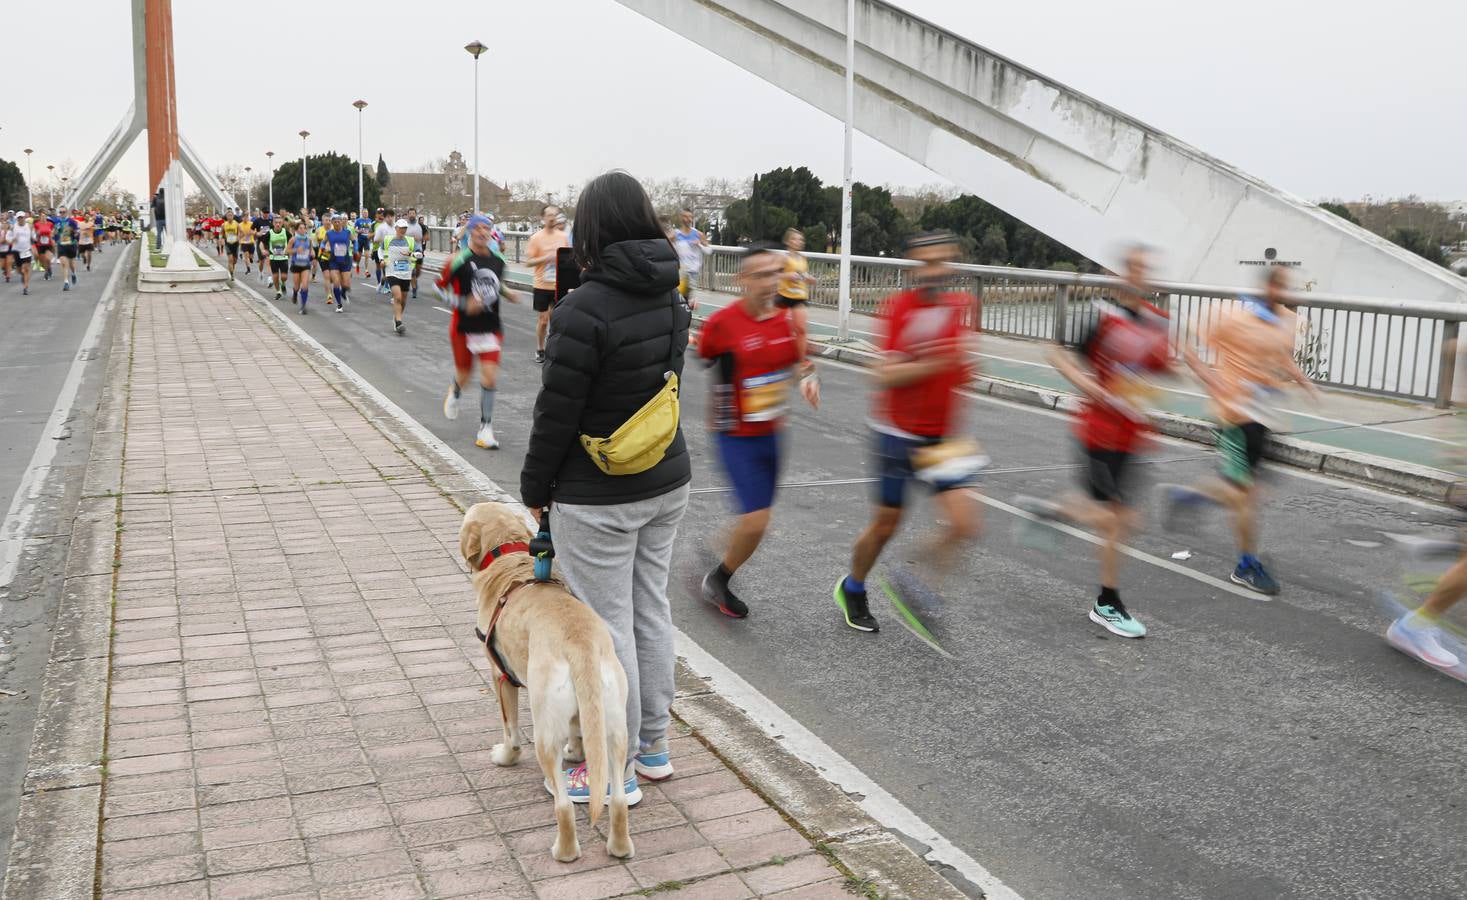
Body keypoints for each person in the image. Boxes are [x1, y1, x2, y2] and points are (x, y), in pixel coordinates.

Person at [521, 171, 692, 803]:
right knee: (651, 608)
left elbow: (557, 412)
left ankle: (610, 765)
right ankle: (653, 748)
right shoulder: (674, 296)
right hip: (666, 478)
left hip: (598, 494)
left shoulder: (581, 308)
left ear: (590, 230)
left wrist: (535, 487)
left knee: (606, 623)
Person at [832, 231, 984, 633]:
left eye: (943, 262)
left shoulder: (960, 307)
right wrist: (933, 364)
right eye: (928, 263)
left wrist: (962, 365)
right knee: (885, 525)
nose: (936, 272)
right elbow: (884, 373)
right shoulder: (899, 308)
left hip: (943, 437)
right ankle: (853, 587)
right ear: (916, 266)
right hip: (896, 434)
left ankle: (914, 579)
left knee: (966, 524)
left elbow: (961, 368)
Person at [1019, 246, 1173, 639]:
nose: (1141, 276)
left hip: (1132, 435)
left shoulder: (1155, 322)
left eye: (1146, 270)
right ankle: (1107, 603)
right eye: (1134, 269)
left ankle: (1051, 512)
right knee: (1119, 520)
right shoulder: (1101, 315)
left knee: (1116, 519)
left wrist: (1167, 376)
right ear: (1121, 276)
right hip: (1098, 433)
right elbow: (1055, 352)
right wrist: (1086, 382)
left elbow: (1154, 370)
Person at [1164, 266, 1320, 595]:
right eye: (1278, 285)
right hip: (1233, 416)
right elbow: (1185, 346)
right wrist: (1212, 381)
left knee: (1249, 492)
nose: (1284, 291)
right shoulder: (1230, 314)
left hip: (1264, 415)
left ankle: (1192, 497)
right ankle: (1246, 565)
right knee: (1246, 494)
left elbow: (1280, 355)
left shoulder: (1288, 320)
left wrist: (1304, 381)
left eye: (1286, 286)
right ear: (1265, 287)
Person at [698, 243, 819, 618]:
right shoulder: (722, 324)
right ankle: (717, 579)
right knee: (757, 518)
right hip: (735, 437)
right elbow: (704, 356)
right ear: (743, 280)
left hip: (772, 435)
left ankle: (717, 553)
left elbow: (799, 359)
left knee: (755, 519)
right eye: (762, 275)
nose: (771, 282)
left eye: (776, 273)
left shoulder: (786, 321)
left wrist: (808, 377)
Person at [437, 214, 520, 449]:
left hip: (490, 325)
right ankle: (455, 392)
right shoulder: (457, 260)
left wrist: (507, 292)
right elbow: (436, 289)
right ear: (470, 231)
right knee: (465, 374)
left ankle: (486, 429)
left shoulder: (499, 260)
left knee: (489, 376)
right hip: (463, 327)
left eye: (488, 228)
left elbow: (494, 283)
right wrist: (464, 303)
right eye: (479, 228)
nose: (484, 232)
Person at [525, 204, 570, 364]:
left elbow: (568, 258)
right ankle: (539, 348)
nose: (551, 218)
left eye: (554, 215)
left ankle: (555, 349)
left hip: (559, 284)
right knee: (543, 320)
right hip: (542, 284)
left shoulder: (562, 237)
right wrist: (546, 258)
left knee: (558, 320)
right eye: (549, 215)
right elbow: (528, 262)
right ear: (543, 218)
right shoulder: (536, 238)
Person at [776, 227, 816, 361]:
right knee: (776, 327)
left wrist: (810, 279)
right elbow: (775, 275)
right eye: (794, 239)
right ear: (787, 241)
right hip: (783, 295)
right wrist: (787, 275)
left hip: (799, 296)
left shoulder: (803, 259)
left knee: (801, 329)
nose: (798, 241)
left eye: (800, 239)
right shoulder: (783, 258)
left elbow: (802, 275)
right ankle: (775, 354)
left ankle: (801, 359)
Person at [381, 218, 418, 334]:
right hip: (392, 271)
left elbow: (420, 254)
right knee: (397, 297)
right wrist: (382, 260)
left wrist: (411, 253)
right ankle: (399, 322)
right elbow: (380, 250)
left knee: (404, 300)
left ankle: (397, 317)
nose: (403, 230)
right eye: (401, 228)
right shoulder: (388, 239)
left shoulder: (410, 241)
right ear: (396, 228)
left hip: (406, 273)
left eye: (405, 228)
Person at [671, 208, 707, 308]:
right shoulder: (675, 234)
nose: (688, 219)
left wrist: (699, 244)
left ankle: (687, 314)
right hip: (680, 271)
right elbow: (667, 247)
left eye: (690, 217)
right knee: (680, 298)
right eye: (686, 216)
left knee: (689, 301)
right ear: (681, 218)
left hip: (693, 271)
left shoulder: (698, 234)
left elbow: (709, 251)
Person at [323, 212, 355, 313]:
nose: (337, 223)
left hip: (345, 260)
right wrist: (323, 250)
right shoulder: (329, 233)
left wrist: (357, 249)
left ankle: (343, 292)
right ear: (332, 222)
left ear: (341, 222)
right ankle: (339, 304)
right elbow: (323, 243)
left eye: (338, 221)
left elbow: (355, 241)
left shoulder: (347, 232)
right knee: (336, 282)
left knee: (346, 284)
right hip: (333, 261)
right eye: (335, 222)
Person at [288, 219, 314, 313]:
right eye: (301, 228)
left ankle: (303, 306)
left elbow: (311, 250)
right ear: (297, 230)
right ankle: (295, 293)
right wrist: (296, 250)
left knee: (305, 285)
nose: (303, 230)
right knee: (296, 286)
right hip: (296, 264)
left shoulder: (309, 240)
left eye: (304, 228)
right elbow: (287, 251)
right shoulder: (293, 239)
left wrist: (312, 253)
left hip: (305, 265)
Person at [54, 208, 81, 290]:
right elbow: (55, 233)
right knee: (64, 263)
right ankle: (66, 282)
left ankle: (73, 273)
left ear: (67, 213)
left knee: (71, 264)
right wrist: (56, 240)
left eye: (63, 212)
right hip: (61, 245)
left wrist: (76, 236)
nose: (62, 213)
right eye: (60, 212)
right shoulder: (57, 222)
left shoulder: (72, 221)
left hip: (71, 244)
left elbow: (77, 232)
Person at [266, 214, 290, 301]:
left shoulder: (285, 232)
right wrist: (263, 250)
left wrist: (289, 250)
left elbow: (292, 241)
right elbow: (263, 242)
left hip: (284, 258)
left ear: (282, 223)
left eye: (280, 223)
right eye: (276, 223)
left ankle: (283, 283)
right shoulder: (270, 233)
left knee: (284, 277)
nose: (278, 224)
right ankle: (278, 292)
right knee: (275, 276)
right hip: (273, 258)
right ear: (273, 223)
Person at [10, 214, 34, 295]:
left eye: (22, 217)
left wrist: (34, 240)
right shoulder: (13, 227)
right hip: (16, 250)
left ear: (24, 218)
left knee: (26, 269)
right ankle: (22, 276)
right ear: (17, 219)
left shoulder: (29, 226)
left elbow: (33, 236)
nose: (20, 219)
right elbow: (8, 238)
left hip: (26, 250)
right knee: (20, 270)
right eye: (19, 218)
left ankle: (25, 287)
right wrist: (12, 239)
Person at [354, 208, 373, 274]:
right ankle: (357, 265)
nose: (366, 214)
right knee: (359, 255)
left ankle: (366, 270)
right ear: (362, 213)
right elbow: (355, 229)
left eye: (367, 212)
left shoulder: (370, 220)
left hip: (367, 240)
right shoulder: (358, 220)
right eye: (364, 212)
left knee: (367, 255)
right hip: (360, 239)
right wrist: (359, 231)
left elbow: (371, 230)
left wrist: (371, 236)